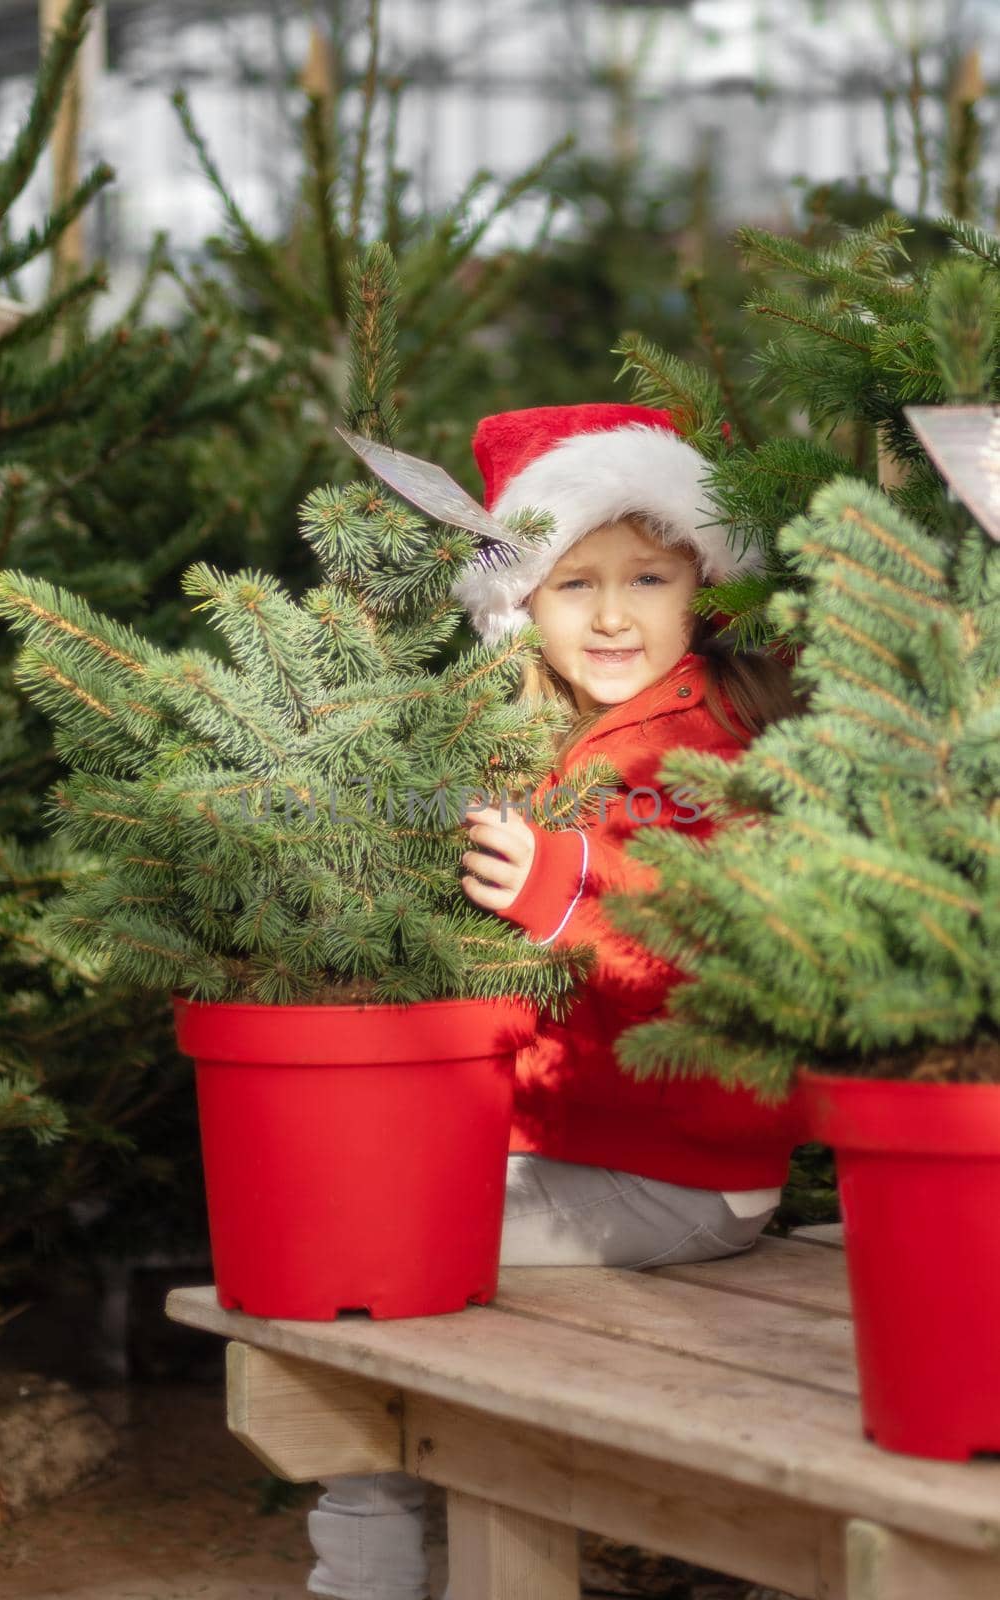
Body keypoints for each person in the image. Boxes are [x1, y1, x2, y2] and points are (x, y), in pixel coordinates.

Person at [306, 404, 808, 1600]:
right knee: (350, 1229)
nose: (613, 614)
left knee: (357, 1259)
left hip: (674, 1169)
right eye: (572, 581)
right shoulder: (539, 735)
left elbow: (705, 945)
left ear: (702, 584)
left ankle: (361, 1578)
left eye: (648, 574)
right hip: (577, 1150)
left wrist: (562, 884)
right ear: (521, 600)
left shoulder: (698, 748)